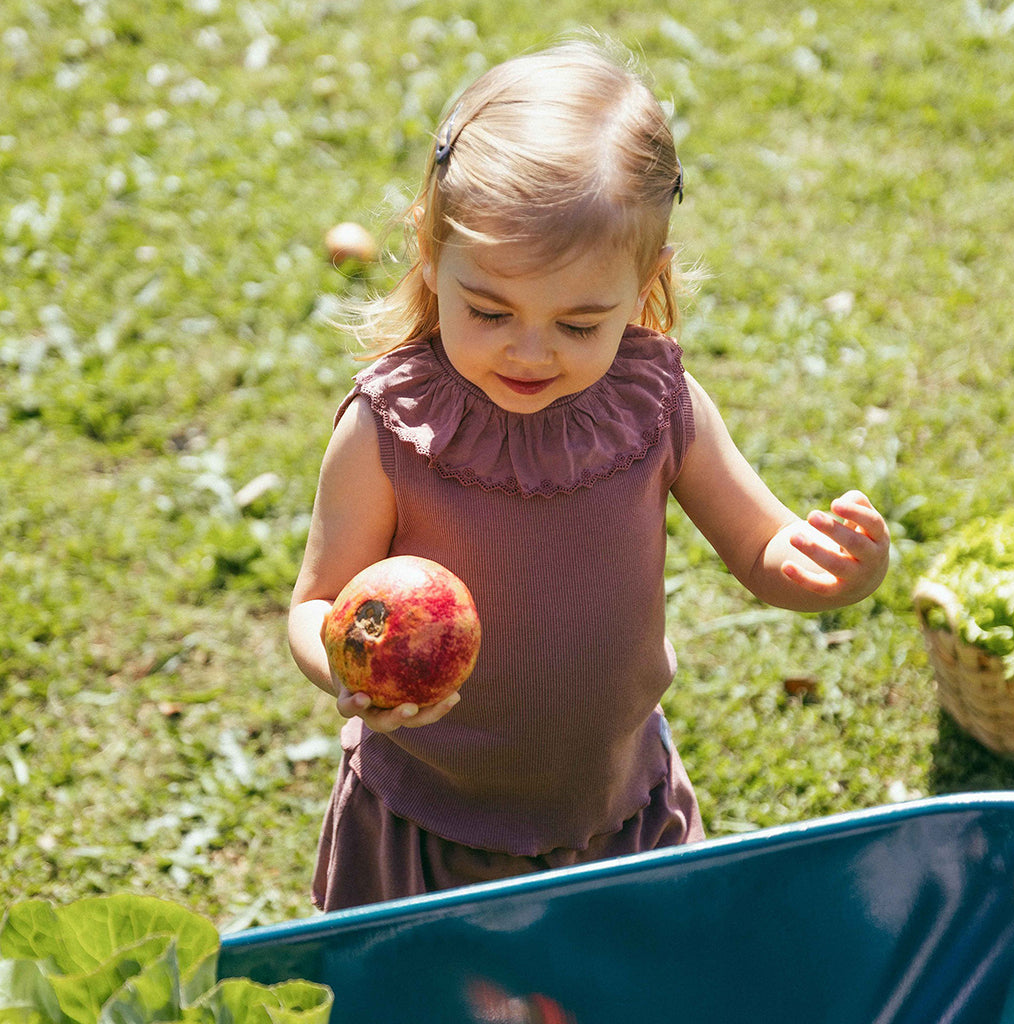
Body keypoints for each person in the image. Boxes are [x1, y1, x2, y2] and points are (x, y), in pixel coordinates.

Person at [288, 38, 890, 912]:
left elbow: (764, 548)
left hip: (615, 814)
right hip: (428, 821)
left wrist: (832, 573)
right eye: (488, 311)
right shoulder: (390, 428)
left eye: (578, 325)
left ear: (645, 284)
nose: (530, 352)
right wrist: (348, 672)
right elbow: (315, 604)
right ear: (429, 252)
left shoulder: (656, 406)